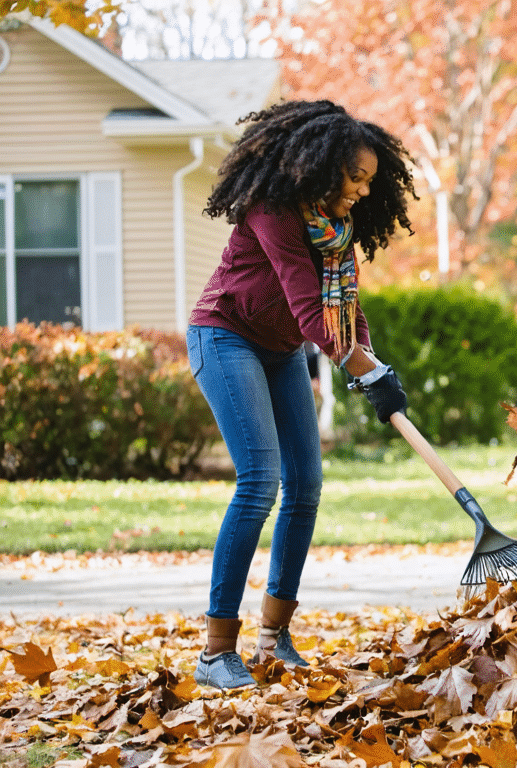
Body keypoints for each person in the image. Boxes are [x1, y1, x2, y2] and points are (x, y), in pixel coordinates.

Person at [186, 100, 416, 689]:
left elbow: (346, 308)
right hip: (226, 336)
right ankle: (216, 652)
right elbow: (309, 308)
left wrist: (375, 365)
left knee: (306, 485)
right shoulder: (273, 209)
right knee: (260, 480)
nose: (364, 191)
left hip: (281, 348)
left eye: (370, 180)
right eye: (356, 178)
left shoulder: (336, 229)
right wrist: (363, 370)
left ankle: (273, 636)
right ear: (320, 167)